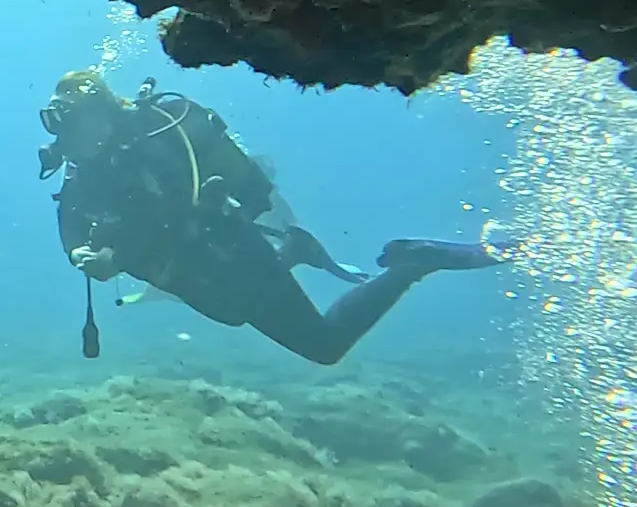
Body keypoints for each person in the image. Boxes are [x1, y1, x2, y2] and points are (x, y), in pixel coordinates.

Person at [37, 68, 504, 365]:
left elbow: (176, 217)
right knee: (232, 313)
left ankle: (411, 263)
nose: (70, 138)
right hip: (192, 275)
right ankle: (294, 252)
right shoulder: (87, 171)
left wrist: (116, 256)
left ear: (102, 116)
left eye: (76, 123)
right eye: (64, 127)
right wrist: (79, 253)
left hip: (228, 254)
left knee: (323, 346)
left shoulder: (155, 143)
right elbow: (72, 224)